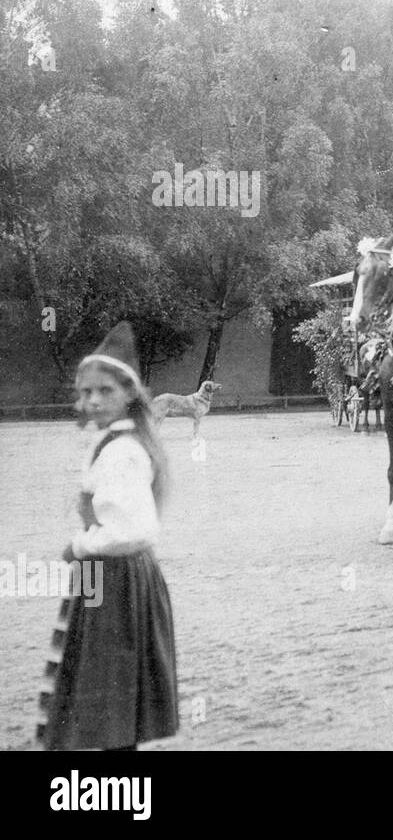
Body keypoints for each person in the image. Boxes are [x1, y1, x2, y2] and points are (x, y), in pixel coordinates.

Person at [38, 322, 179, 751]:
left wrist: (81, 545)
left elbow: (133, 529)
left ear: (130, 393)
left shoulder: (124, 452)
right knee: (104, 677)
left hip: (115, 578)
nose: (93, 400)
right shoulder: (111, 441)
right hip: (105, 577)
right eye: (85, 392)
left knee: (111, 676)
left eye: (105, 391)